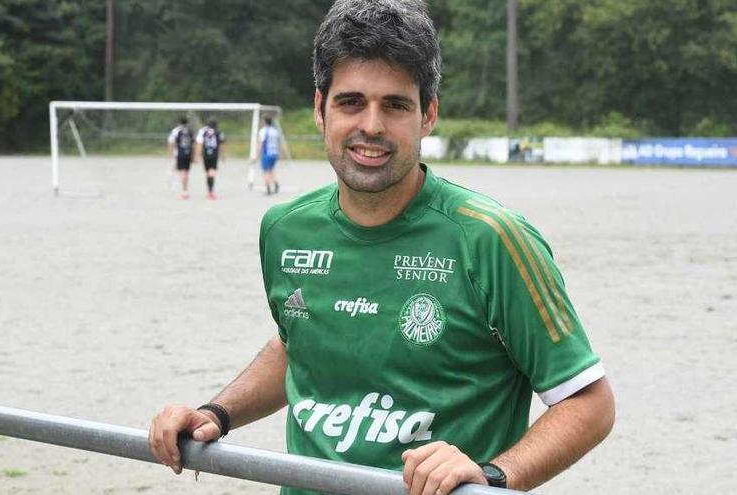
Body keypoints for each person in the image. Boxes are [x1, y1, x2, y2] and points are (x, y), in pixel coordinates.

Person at [149, 1, 615, 494]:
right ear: (319, 108)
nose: (371, 125)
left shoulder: (491, 238)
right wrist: (215, 413)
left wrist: (493, 475)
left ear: (428, 114)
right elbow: (300, 342)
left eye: (395, 105)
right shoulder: (285, 230)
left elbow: (589, 402)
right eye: (351, 102)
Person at [195, 118, 226, 200]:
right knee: (212, 172)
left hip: (206, 155)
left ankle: (209, 191)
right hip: (214, 155)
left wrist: (197, 155)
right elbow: (222, 144)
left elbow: (200, 144)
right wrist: (223, 155)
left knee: (207, 172)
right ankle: (211, 191)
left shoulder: (203, 131)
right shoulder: (219, 132)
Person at [167, 117, 194, 199]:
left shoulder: (176, 131)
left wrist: (170, 154)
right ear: (187, 123)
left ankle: (184, 191)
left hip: (180, 154)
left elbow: (171, 142)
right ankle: (185, 190)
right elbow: (194, 144)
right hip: (189, 154)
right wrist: (194, 155)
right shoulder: (190, 131)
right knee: (186, 172)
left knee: (182, 172)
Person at [257, 116, 281, 195]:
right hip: (274, 153)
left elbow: (261, 143)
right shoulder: (275, 131)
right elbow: (278, 143)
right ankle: (275, 183)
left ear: (264, 122)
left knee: (266, 171)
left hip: (267, 153)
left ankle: (267, 187)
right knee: (271, 170)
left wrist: (257, 154)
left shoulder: (263, 131)